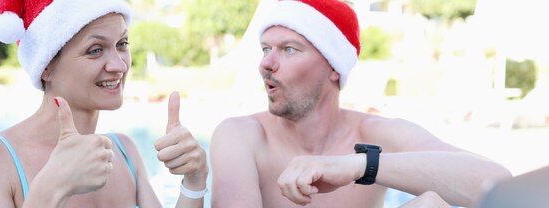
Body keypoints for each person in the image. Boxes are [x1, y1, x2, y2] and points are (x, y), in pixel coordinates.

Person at [210, 0, 511, 207]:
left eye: (289, 49)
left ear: (333, 67)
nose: (266, 63)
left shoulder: (372, 135)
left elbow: (497, 184)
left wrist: (359, 165)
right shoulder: (240, 136)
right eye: (265, 49)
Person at [0, 0, 207, 207]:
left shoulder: (125, 151)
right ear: (46, 66)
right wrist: (53, 186)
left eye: (122, 44)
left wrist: (194, 182)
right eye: (95, 49)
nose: (119, 65)